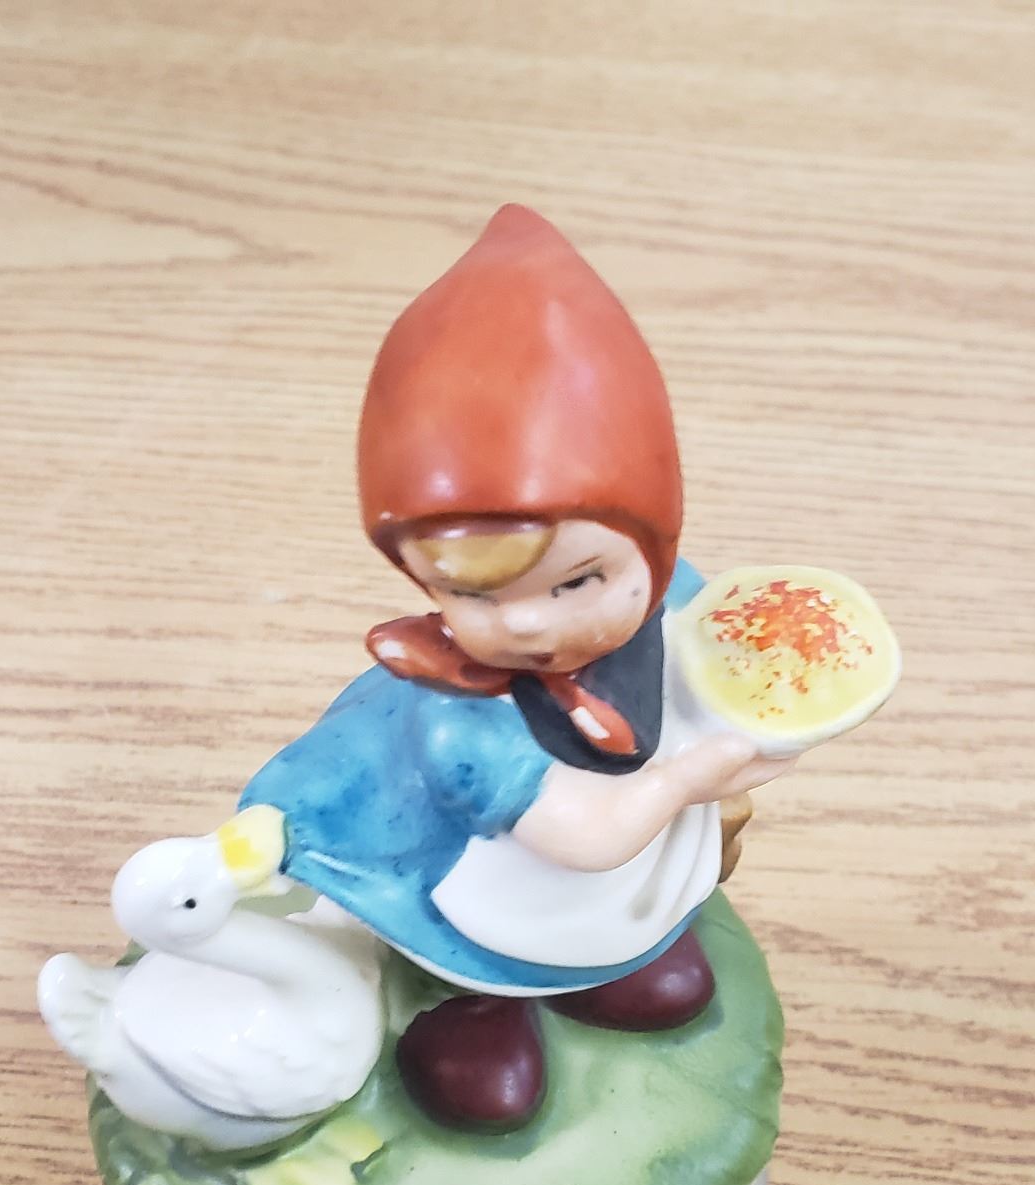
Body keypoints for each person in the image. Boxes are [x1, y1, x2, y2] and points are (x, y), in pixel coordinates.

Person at [242, 206, 796, 1129]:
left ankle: (602, 967)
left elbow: (732, 681)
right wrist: (695, 777)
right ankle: (472, 1010)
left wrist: (780, 723)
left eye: (580, 580)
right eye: (475, 595)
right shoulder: (461, 714)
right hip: (503, 889)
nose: (532, 623)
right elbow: (584, 839)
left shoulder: (680, 603)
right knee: (496, 958)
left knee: (656, 961)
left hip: (639, 860)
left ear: (654, 544)